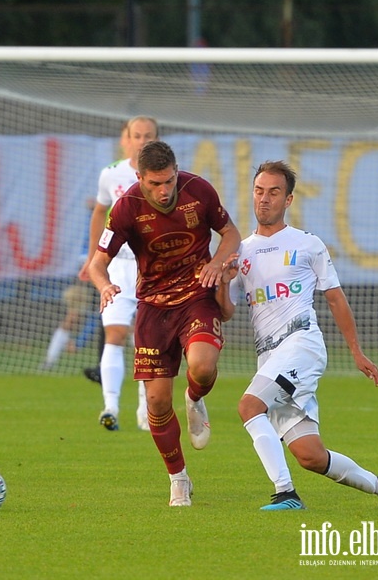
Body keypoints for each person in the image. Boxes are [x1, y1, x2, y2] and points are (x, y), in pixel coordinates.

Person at [215, 160, 378, 510]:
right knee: (309, 455)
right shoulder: (241, 252)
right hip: (268, 354)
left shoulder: (307, 244)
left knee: (249, 406)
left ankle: (286, 495)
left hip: (302, 344)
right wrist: (222, 281)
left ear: (289, 200)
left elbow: (336, 298)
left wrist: (356, 351)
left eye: (274, 192)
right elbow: (226, 312)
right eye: (259, 191)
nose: (264, 199)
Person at [88, 140, 241, 507]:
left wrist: (217, 263)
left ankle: (194, 398)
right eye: (155, 183)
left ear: (176, 172)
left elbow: (231, 234)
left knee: (202, 368)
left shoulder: (198, 190)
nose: (164, 190)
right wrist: (105, 285)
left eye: (169, 181)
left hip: (196, 297)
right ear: (139, 177)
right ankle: (179, 479)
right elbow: (97, 263)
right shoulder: (125, 207)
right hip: (154, 308)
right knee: (156, 403)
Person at [79, 116, 159, 432]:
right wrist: (92, 259)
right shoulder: (111, 174)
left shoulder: (165, 176)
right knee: (115, 333)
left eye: (148, 136)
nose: (141, 141)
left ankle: (146, 409)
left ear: (157, 139)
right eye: (136, 135)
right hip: (118, 267)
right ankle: (110, 405)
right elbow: (100, 212)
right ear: (125, 140)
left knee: (147, 339)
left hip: (153, 267)